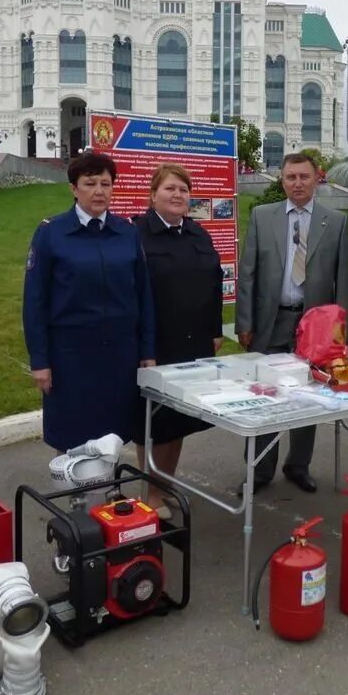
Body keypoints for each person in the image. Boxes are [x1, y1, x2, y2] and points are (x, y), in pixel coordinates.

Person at [236, 152, 348, 494]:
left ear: (316, 179)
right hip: (271, 322)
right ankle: (258, 471)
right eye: (291, 177)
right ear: (282, 180)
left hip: (315, 329)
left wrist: (341, 336)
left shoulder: (336, 221)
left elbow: (342, 282)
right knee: (265, 399)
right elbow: (248, 276)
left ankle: (298, 465)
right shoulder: (262, 217)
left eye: (304, 177)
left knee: (309, 398)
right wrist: (244, 322)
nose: (297, 183)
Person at [22, 151, 155, 453]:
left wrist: (147, 351)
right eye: (90, 183)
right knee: (73, 436)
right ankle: (74, 499)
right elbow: (35, 302)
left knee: (116, 433)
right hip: (71, 357)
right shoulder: (51, 234)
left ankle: (110, 496)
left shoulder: (127, 232)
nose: (99, 191)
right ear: (73, 189)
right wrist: (40, 361)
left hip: (121, 356)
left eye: (106, 184)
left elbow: (143, 295)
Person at [134, 164, 224, 516]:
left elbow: (215, 285)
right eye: (170, 188)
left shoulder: (198, 234)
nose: (177, 195)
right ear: (153, 194)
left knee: (180, 419)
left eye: (183, 190)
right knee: (153, 421)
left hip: (194, 341)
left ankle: (165, 485)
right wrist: (143, 345)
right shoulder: (137, 234)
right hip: (157, 345)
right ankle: (151, 495)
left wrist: (215, 331)